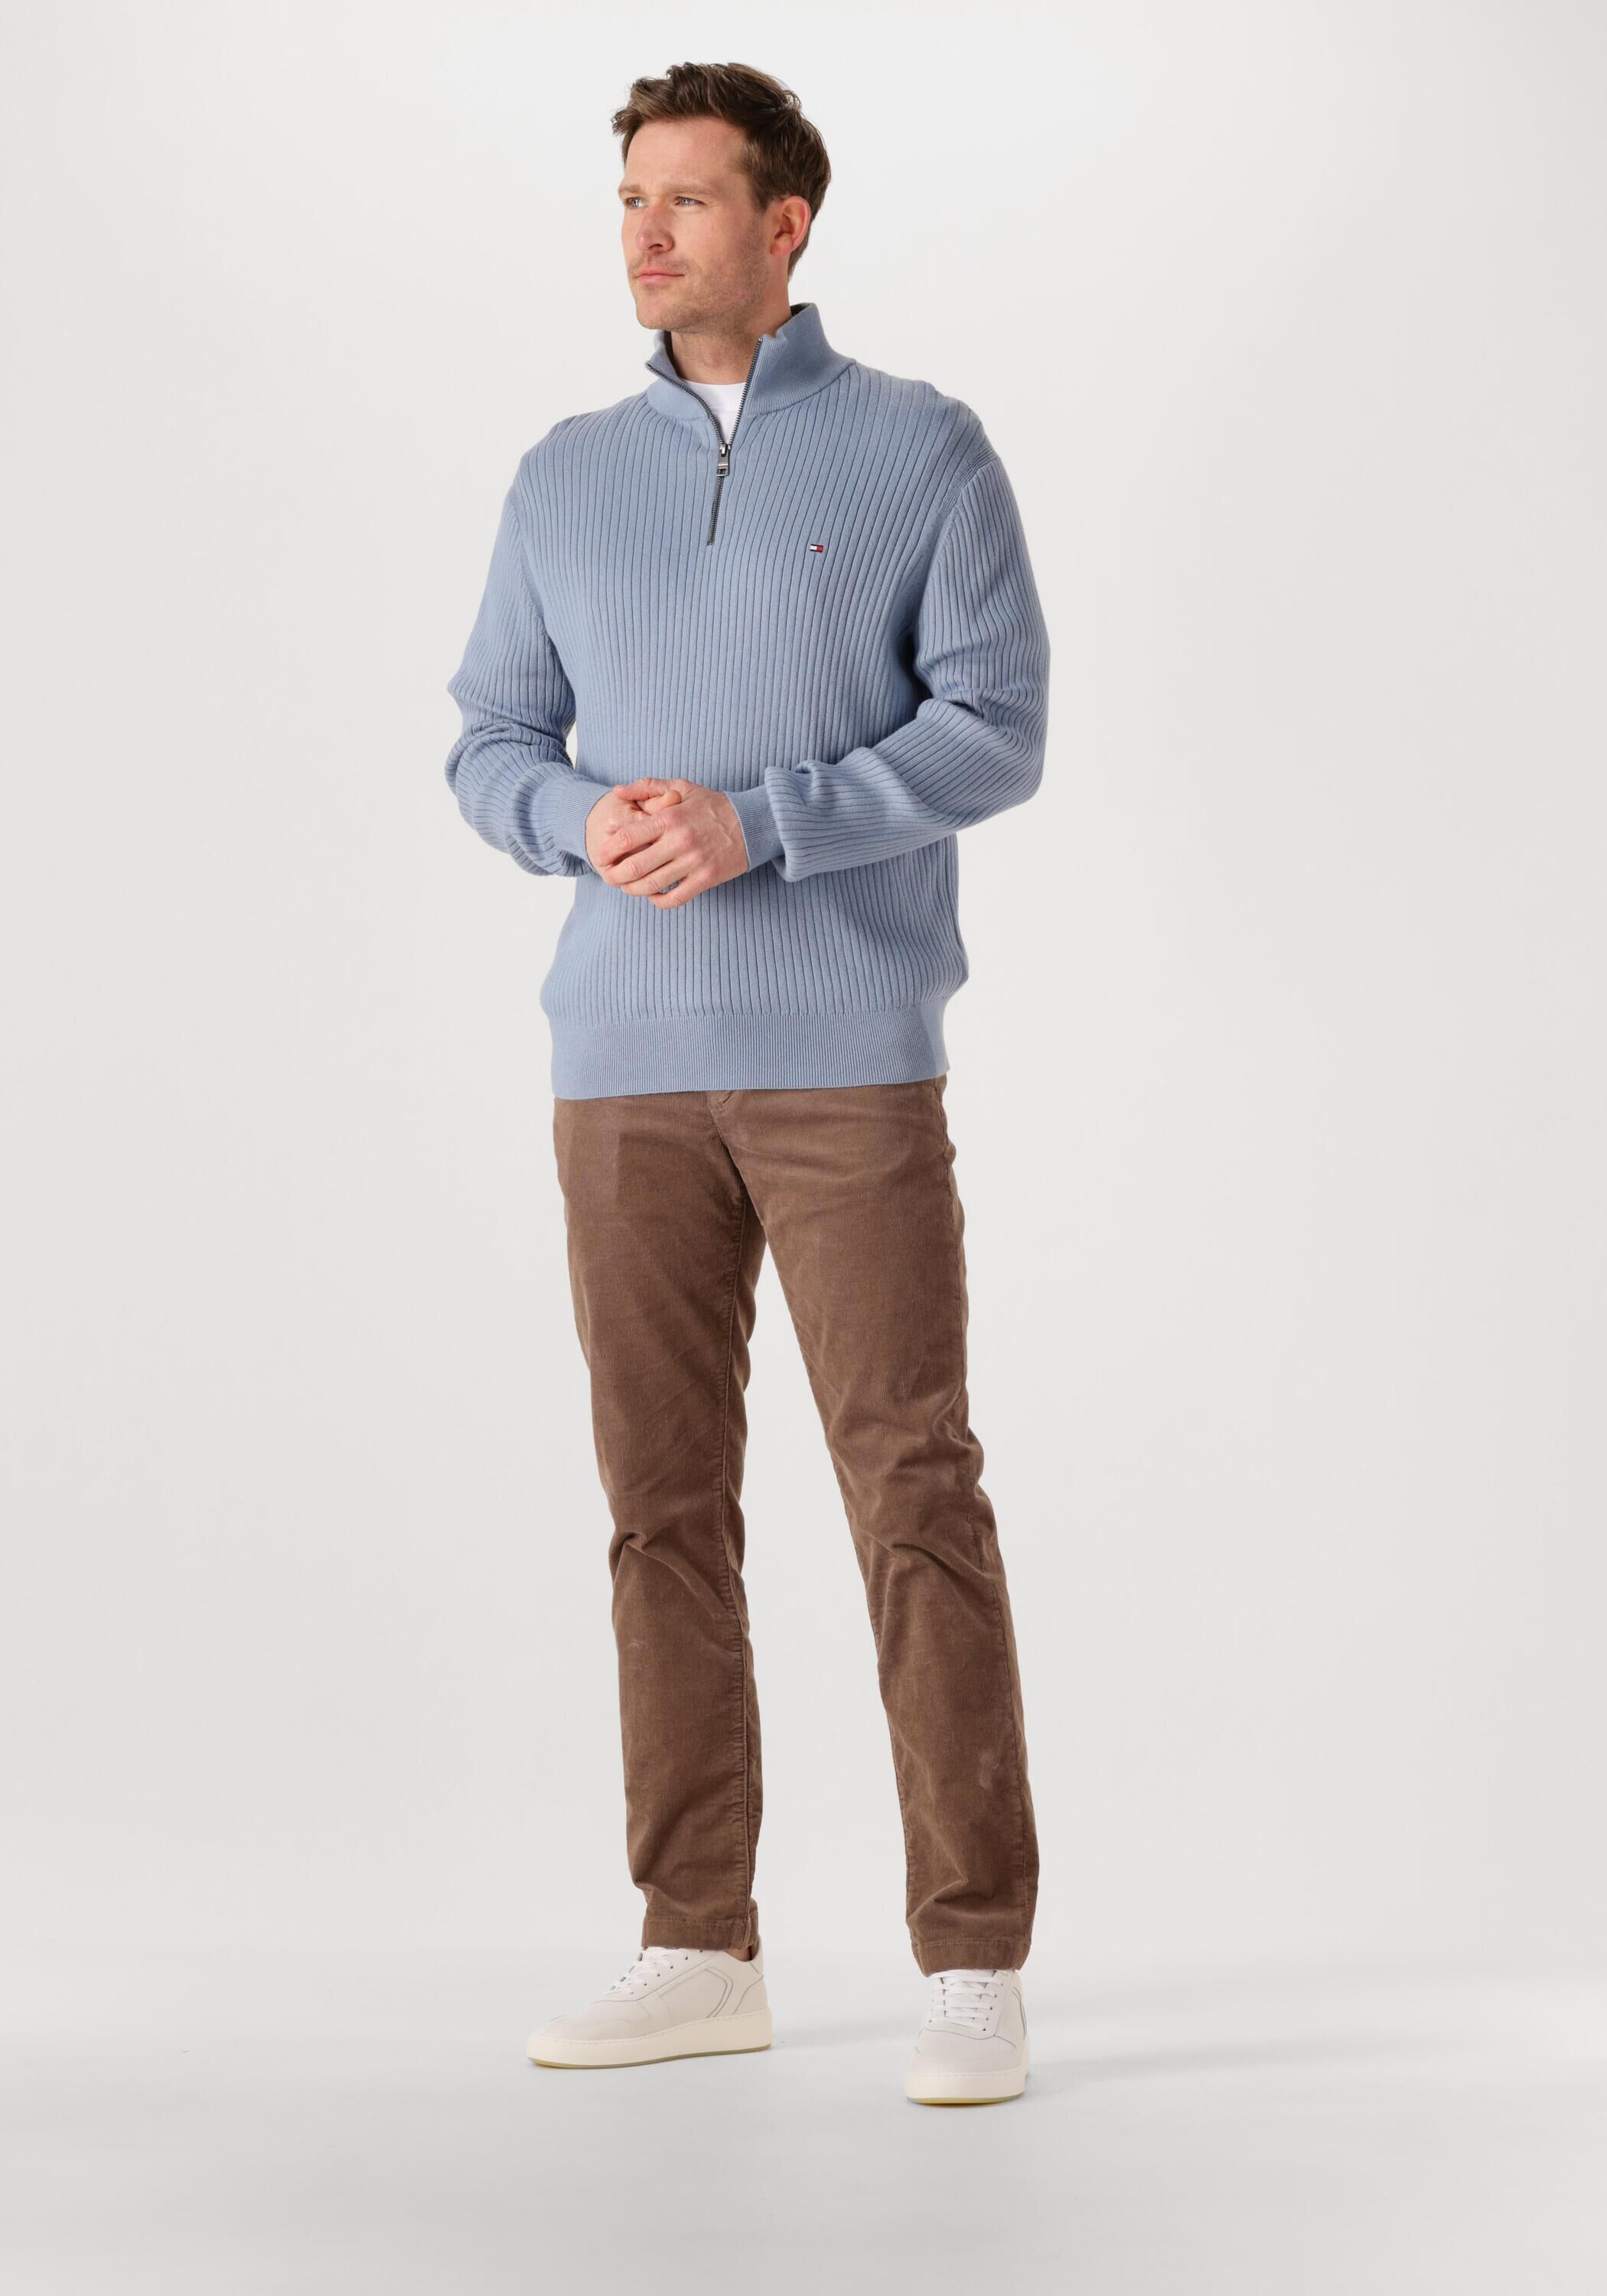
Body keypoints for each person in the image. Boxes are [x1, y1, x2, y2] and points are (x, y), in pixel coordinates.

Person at [444, 61, 1048, 2106]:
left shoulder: (918, 447)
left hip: (842, 1063)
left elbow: (996, 723)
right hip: (620, 1069)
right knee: (659, 1511)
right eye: (630, 197)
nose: (645, 233)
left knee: (912, 1489)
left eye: (686, 200)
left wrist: (762, 821)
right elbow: (489, 740)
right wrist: (577, 816)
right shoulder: (562, 476)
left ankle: (971, 1959)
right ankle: (697, 1943)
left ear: (785, 226)